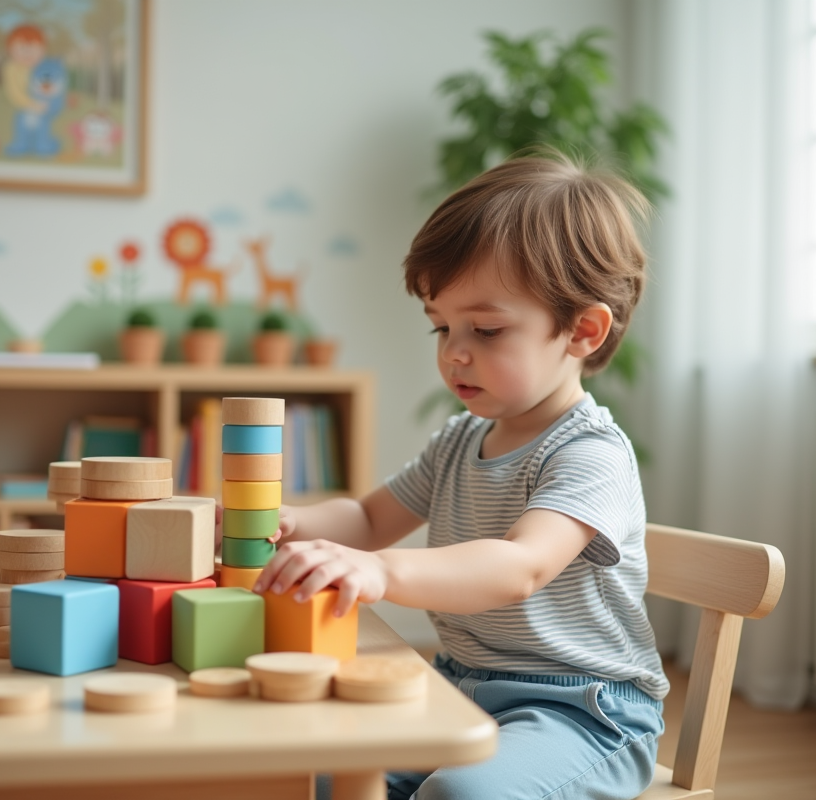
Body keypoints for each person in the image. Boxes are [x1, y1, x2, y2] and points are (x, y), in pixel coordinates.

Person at [252, 152, 669, 800]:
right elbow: (367, 520)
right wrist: (289, 525)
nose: (454, 352)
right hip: (461, 684)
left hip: (584, 714)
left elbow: (518, 567)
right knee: (321, 767)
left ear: (582, 330)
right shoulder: (459, 440)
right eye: (441, 327)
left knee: (462, 795)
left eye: (487, 328)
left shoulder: (591, 455)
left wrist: (384, 573)